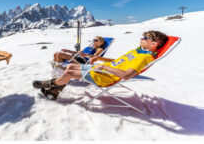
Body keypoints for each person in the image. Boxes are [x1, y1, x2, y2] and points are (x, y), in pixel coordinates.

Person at [33, 30, 168, 100]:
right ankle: (54, 91)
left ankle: (49, 85)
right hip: (102, 70)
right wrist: (100, 59)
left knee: (69, 72)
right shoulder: (137, 51)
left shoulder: (144, 57)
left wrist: (104, 67)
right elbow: (118, 61)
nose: (141, 39)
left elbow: (127, 75)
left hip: (105, 76)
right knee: (69, 67)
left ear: (153, 44)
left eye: (145, 38)